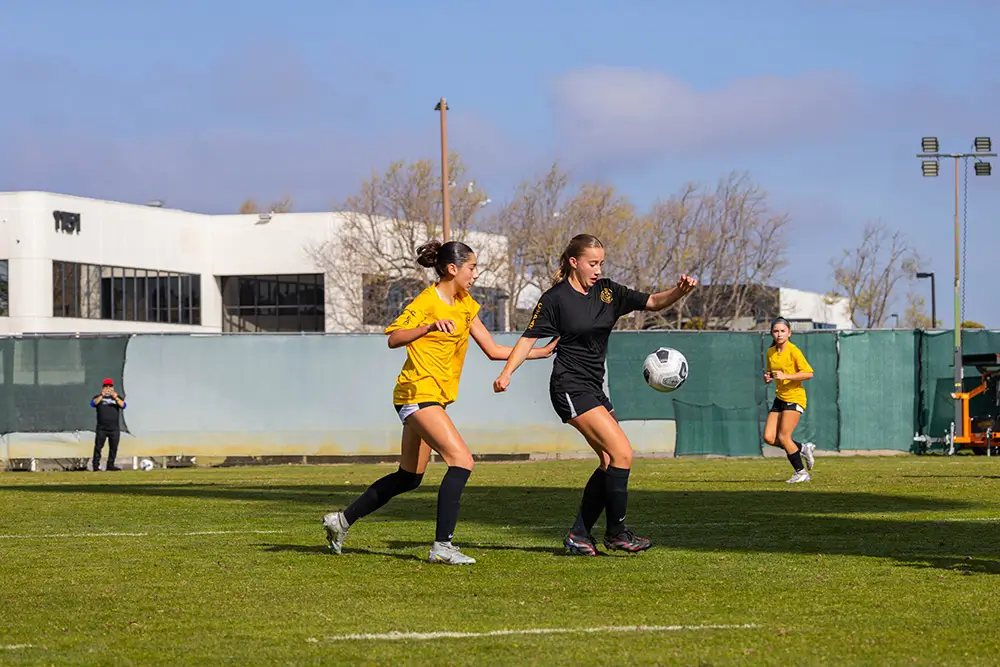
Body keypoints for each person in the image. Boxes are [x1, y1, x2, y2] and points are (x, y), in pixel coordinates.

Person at [322, 240, 558, 565]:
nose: (476, 274)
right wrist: (429, 326)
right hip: (417, 394)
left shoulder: (465, 304)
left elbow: (493, 350)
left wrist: (539, 353)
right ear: (452, 269)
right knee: (462, 461)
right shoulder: (427, 301)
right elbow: (394, 338)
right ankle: (442, 546)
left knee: (409, 477)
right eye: (472, 267)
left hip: (432, 399)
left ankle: (341, 521)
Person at [493, 233, 697, 557]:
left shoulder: (608, 292)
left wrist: (679, 291)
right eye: (592, 263)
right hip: (569, 386)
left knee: (609, 460)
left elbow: (653, 302)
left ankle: (579, 535)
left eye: (601, 263)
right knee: (622, 453)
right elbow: (528, 339)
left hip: (593, 387)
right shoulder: (555, 299)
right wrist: (507, 373)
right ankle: (616, 533)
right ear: (574, 262)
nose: (598, 269)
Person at [763, 317, 817, 483]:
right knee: (769, 437)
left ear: (789, 333)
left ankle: (801, 473)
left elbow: (809, 373)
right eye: (776, 331)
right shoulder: (771, 352)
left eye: (782, 331)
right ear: (772, 333)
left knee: (784, 436)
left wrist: (786, 376)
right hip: (780, 398)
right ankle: (803, 448)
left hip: (794, 397)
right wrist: (768, 377)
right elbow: (772, 372)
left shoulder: (794, 351)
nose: (779, 334)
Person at [91, 378, 126, 472]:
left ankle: (110, 465)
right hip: (102, 428)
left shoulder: (116, 397)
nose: (108, 388)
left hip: (114, 428)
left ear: (112, 387)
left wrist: (116, 397)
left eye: (109, 386)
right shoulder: (98, 397)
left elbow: (123, 405)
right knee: (98, 447)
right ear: (103, 387)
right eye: (106, 386)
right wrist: (102, 396)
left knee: (113, 448)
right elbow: (93, 403)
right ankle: (95, 466)